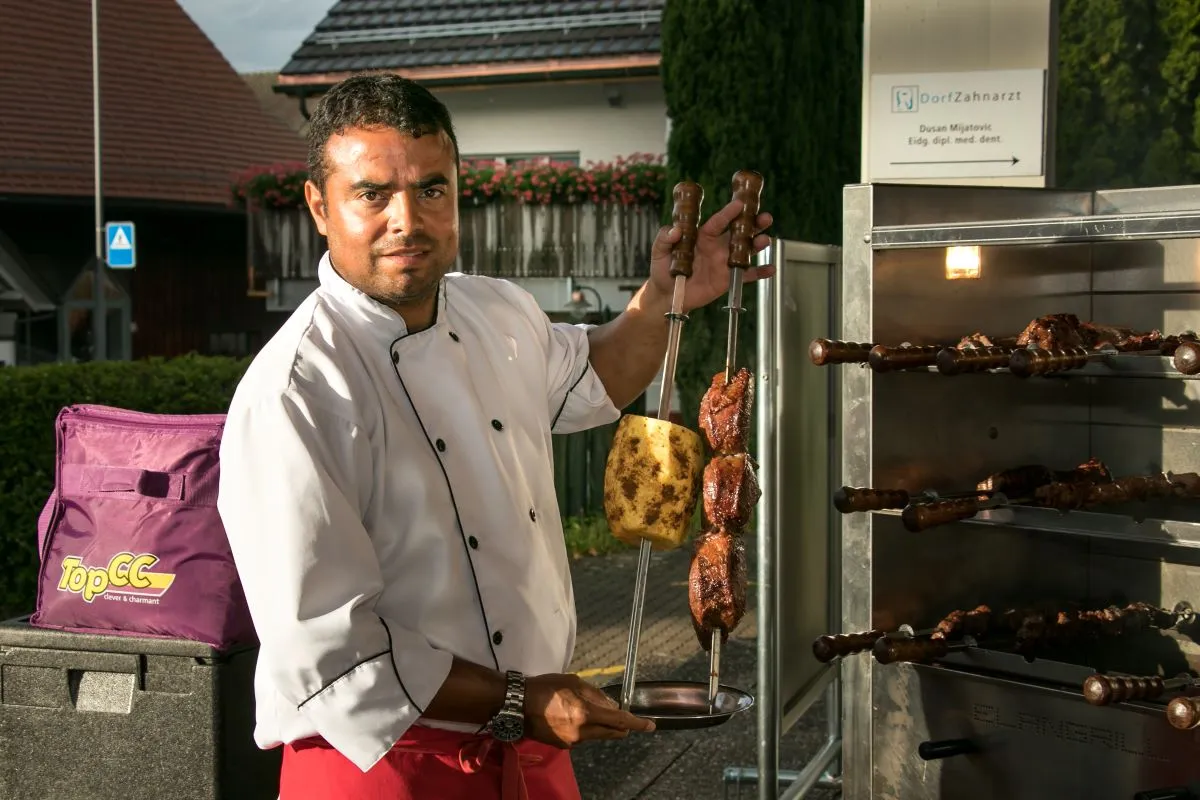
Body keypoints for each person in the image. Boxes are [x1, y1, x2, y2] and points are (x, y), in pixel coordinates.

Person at [216, 73, 774, 800]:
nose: (407, 219)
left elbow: (596, 374)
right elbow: (330, 653)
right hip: (385, 765)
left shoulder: (497, 312)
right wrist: (520, 698)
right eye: (372, 194)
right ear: (320, 206)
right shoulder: (297, 391)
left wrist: (668, 296)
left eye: (431, 189)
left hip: (533, 747)